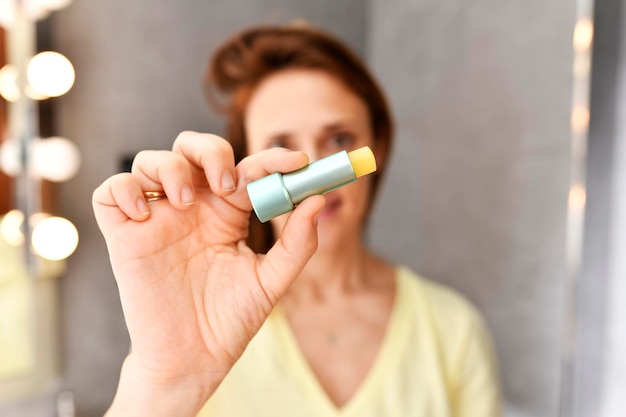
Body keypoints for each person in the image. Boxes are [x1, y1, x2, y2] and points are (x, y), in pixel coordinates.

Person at [93, 24, 501, 417]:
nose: (313, 171)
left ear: (377, 144)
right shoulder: (206, 318)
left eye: (339, 139)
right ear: (246, 160)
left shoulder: (453, 330)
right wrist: (165, 383)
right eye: (280, 145)